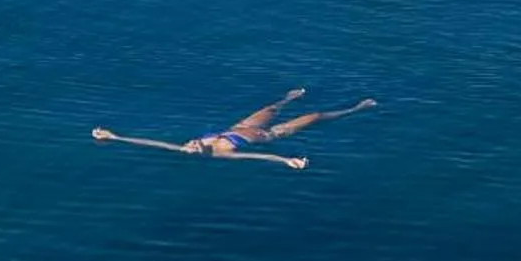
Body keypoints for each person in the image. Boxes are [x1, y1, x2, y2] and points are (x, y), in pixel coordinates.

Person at [91, 91, 379, 168]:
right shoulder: (221, 155)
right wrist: (285, 160)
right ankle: (357, 108)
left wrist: (115, 137)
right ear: (199, 153)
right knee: (315, 116)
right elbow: (257, 157)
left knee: (271, 107)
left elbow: (151, 143)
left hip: (242, 126)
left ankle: (289, 98)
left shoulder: (185, 147)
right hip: (270, 136)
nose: (189, 143)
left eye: (189, 144)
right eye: (192, 146)